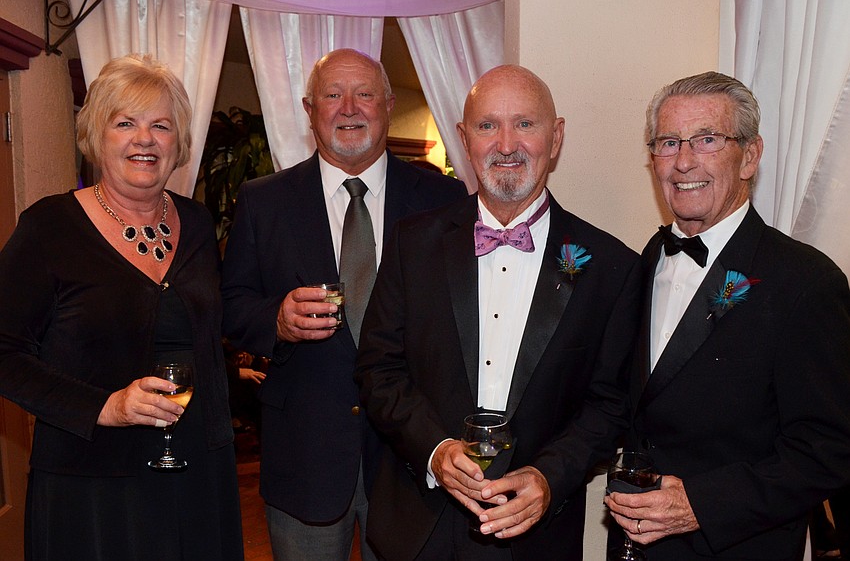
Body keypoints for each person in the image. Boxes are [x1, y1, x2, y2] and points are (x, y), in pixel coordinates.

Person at [354, 64, 641, 560]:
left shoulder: (612, 266)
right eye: (488, 126)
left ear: (557, 138)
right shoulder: (411, 243)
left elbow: (610, 403)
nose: (506, 144)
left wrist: (550, 478)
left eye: (525, 124)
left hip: (535, 534)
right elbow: (378, 368)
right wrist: (435, 451)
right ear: (465, 139)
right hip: (418, 526)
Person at [220, 48, 466, 560]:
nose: (348, 108)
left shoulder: (444, 199)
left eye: (364, 94)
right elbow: (232, 304)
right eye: (333, 95)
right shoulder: (264, 201)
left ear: (388, 105)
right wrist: (277, 321)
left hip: (413, 459)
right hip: (304, 457)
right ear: (310, 109)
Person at [0, 54, 243, 560]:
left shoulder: (198, 224)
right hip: (91, 485)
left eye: (161, 125)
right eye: (125, 123)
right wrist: (105, 407)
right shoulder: (50, 227)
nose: (145, 139)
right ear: (96, 134)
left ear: (178, 142)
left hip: (197, 471)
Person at [604, 71, 850, 560]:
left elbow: (828, 449)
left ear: (750, 156)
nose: (685, 160)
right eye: (669, 142)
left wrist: (700, 505)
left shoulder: (806, 281)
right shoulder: (647, 259)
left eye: (708, 139)